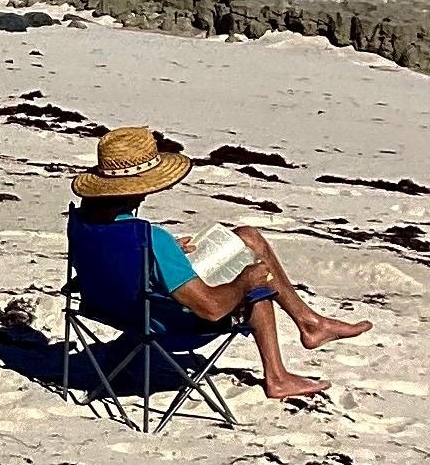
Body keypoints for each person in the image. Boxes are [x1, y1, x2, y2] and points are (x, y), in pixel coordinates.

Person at [69, 124, 369, 407]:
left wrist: (159, 256)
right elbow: (211, 309)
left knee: (248, 238)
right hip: (165, 324)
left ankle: (309, 322)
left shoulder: (86, 224)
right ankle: (278, 378)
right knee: (256, 287)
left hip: (113, 308)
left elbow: (101, 269)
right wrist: (244, 282)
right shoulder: (150, 238)